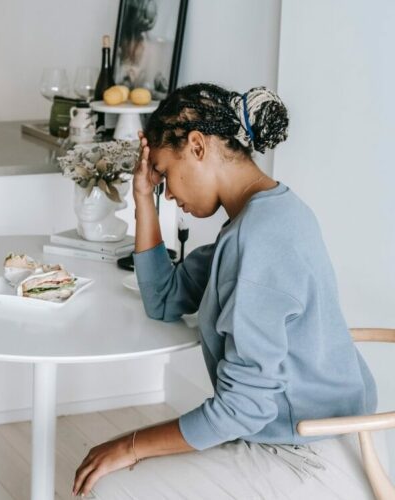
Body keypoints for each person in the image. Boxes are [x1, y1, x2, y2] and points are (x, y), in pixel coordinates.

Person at [72, 83, 379, 498]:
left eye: (165, 173)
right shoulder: (261, 219)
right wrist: (143, 198)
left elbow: (243, 408)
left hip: (306, 452)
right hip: (301, 433)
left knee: (109, 485)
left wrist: (129, 445)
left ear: (197, 147)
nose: (169, 191)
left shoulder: (260, 238)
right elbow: (164, 298)